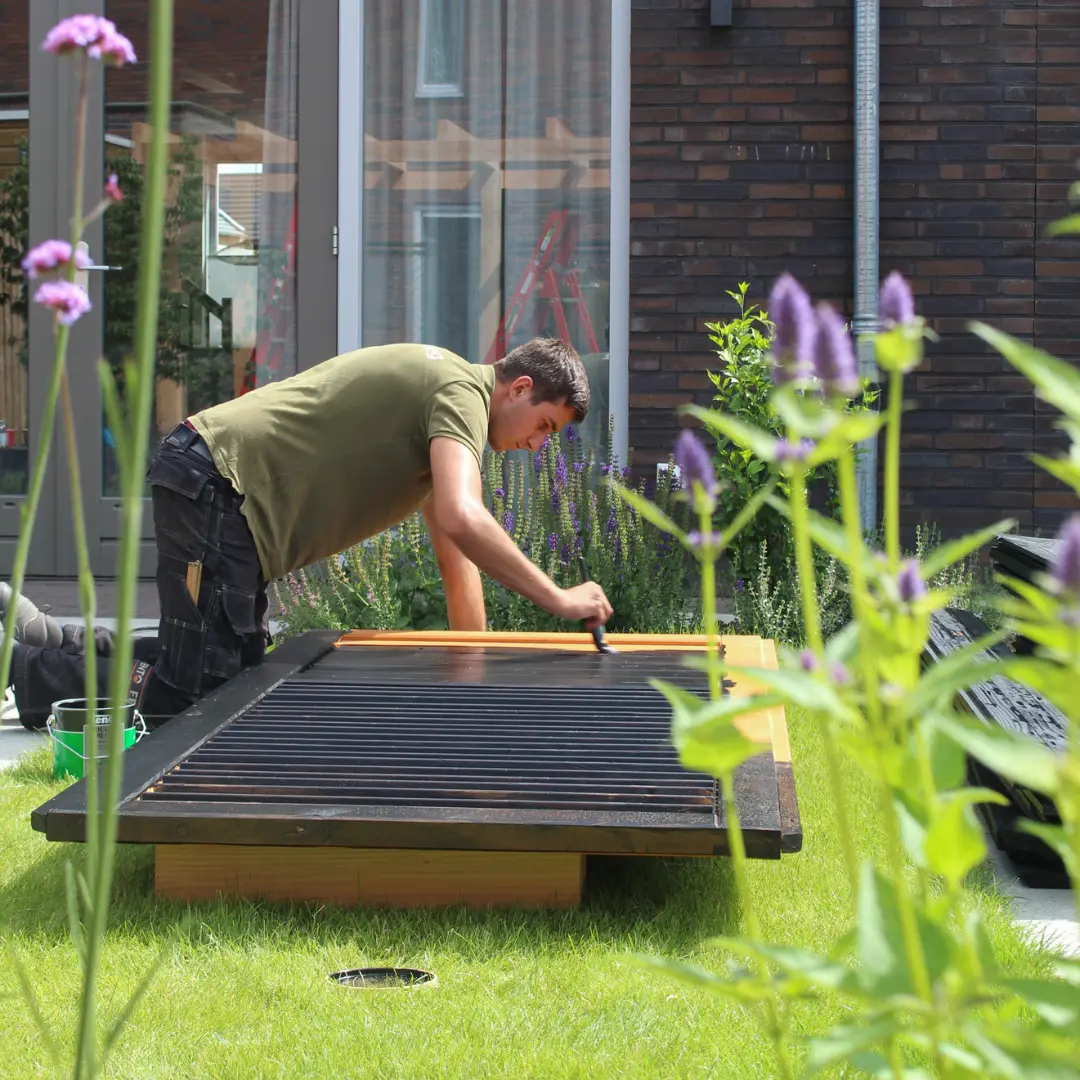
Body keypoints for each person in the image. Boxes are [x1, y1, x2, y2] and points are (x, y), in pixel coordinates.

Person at [4, 338, 613, 731]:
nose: (537, 446)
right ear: (521, 388)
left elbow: (459, 559)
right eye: (543, 427)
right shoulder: (460, 393)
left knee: (226, 669)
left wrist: (470, 681)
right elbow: (464, 517)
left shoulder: (446, 418)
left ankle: (44, 640)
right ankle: (26, 670)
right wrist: (559, 599)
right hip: (217, 483)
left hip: (221, 492)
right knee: (203, 700)